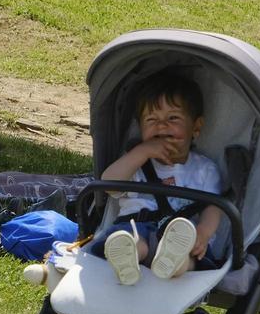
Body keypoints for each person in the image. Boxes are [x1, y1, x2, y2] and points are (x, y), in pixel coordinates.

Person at [92, 72, 224, 285]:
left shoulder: (204, 169)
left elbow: (214, 206)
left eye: (173, 118)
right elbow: (108, 184)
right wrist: (142, 152)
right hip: (137, 228)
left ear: (196, 127)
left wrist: (204, 232)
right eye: (151, 120)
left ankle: (175, 264)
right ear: (140, 127)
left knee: (190, 258)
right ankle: (127, 260)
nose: (161, 126)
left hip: (180, 238)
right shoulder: (135, 162)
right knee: (130, 241)